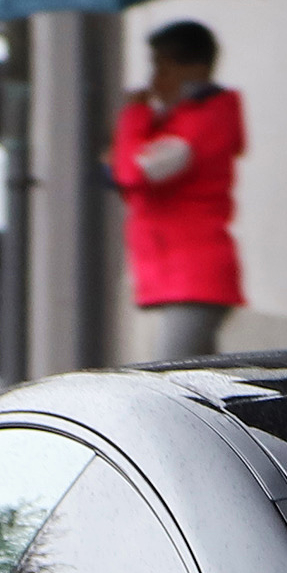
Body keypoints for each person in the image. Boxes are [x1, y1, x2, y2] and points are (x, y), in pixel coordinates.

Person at [112, 21, 245, 361]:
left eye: (162, 66)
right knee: (198, 383)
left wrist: (134, 116)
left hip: (195, 277)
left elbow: (133, 172)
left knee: (169, 379)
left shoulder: (200, 123)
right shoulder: (179, 119)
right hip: (180, 275)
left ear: (192, 69)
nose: (155, 79)